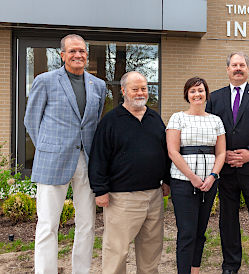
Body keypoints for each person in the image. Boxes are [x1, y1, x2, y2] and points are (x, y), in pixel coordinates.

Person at [24, 34, 106, 274]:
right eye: (72, 51)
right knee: (48, 224)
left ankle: (81, 270)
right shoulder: (46, 80)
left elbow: (93, 125)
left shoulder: (98, 85)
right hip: (52, 161)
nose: (77, 55)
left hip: (86, 162)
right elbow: (31, 120)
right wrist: (47, 148)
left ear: (87, 54)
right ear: (62, 55)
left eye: (81, 51)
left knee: (87, 224)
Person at [88, 71, 171, 273]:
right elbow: (99, 157)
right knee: (117, 251)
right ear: (124, 90)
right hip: (122, 199)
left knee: (151, 250)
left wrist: (167, 180)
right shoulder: (111, 121)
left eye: (144, 88)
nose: (140, 93)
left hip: (153, 195)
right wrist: (100, 190)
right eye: (135, 89)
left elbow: (164, 152)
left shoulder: (154, 119)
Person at [206, 52, 249, 274]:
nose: (238, 68)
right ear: (227, 69)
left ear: (248, 68)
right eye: (234, 65)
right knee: (228, 219)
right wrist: (222, 153)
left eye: (242, 65)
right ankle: (230, 264)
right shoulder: (215, 98)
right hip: (225, 168)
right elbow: (210, 130)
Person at [166, 77, 226, 274]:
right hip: (183, 182)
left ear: (206, 93)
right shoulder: (177, 118)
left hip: (209, 184)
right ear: (187, 95)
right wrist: (192, 177)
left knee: (200, 232)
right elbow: (173, 152)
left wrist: (212, 176)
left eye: (200, 90)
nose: (197, 94)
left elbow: (221, 153)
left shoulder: (216, 120)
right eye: (192, 91)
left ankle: (195, 270)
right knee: (187, 232)